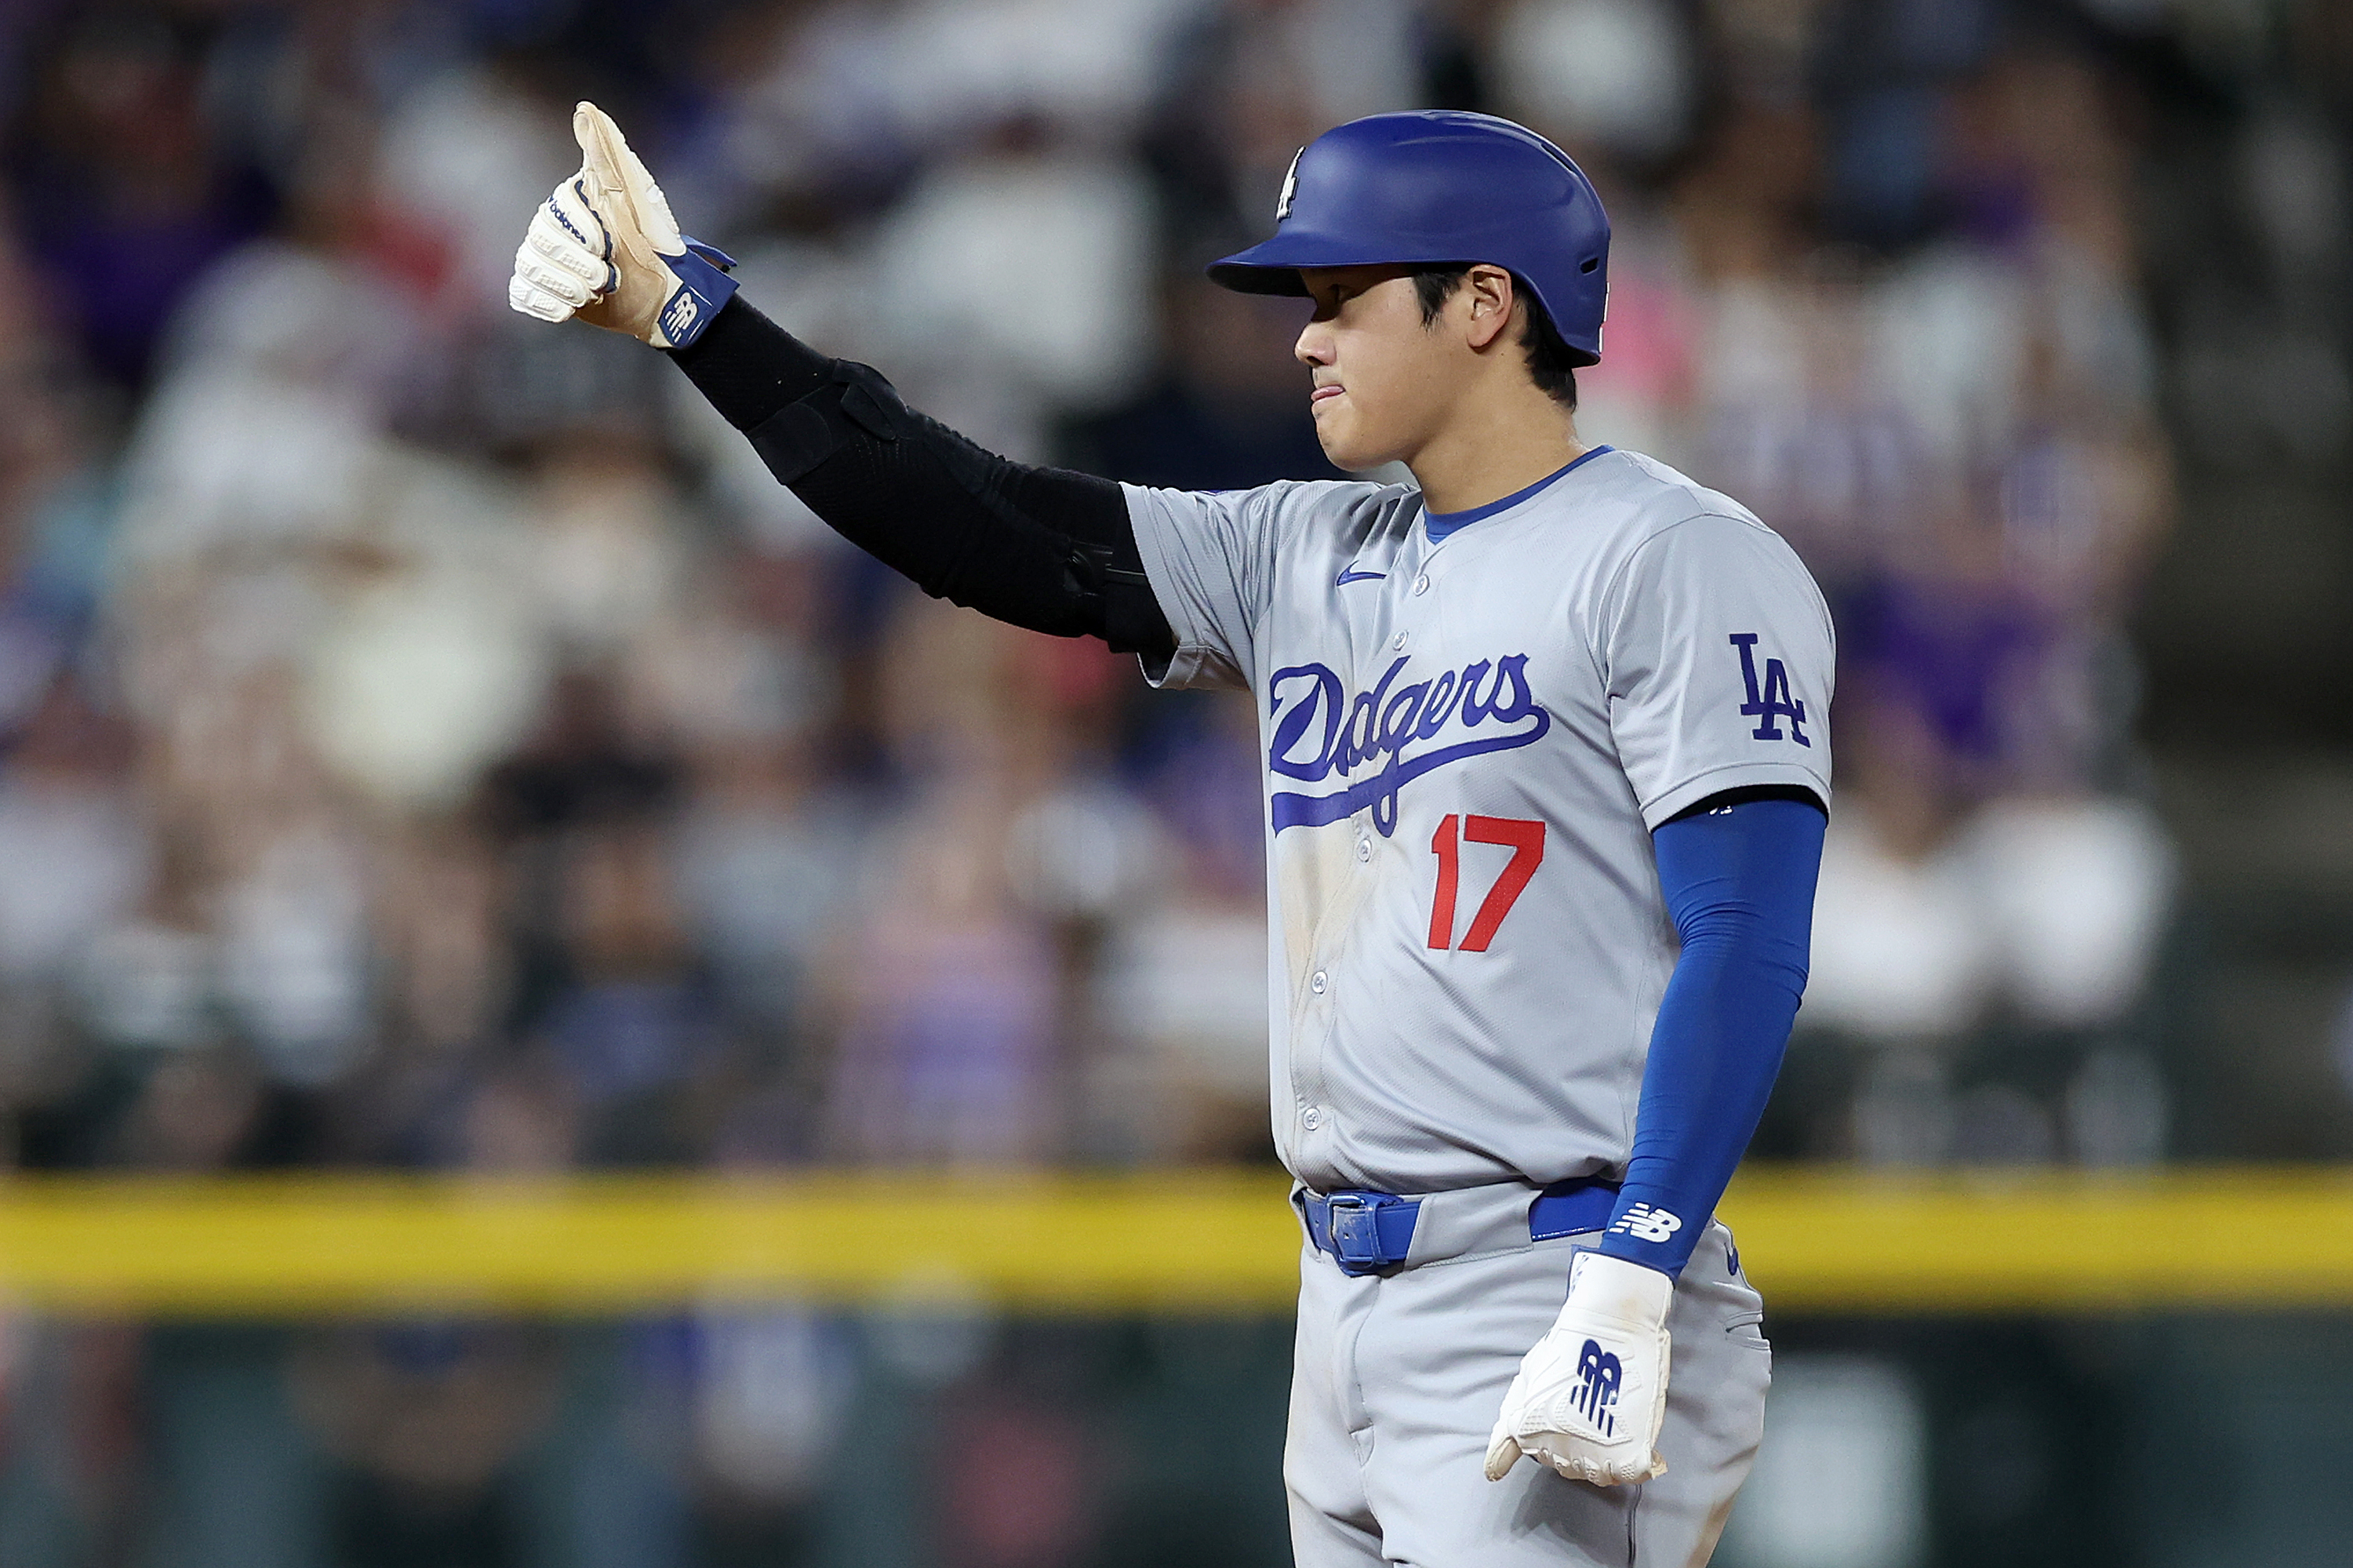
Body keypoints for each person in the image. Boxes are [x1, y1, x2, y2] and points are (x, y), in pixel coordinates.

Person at [512, 102, 1831, 1568]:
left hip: (1556, 1269)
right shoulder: (1300, 553)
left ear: (1482, 303)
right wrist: (694, 316)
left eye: (1342, 297)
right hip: (1344, 1300)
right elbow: (982, 521)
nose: (1304, 338)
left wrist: (1635, 1273)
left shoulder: (1674, 556)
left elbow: (1749, 932)